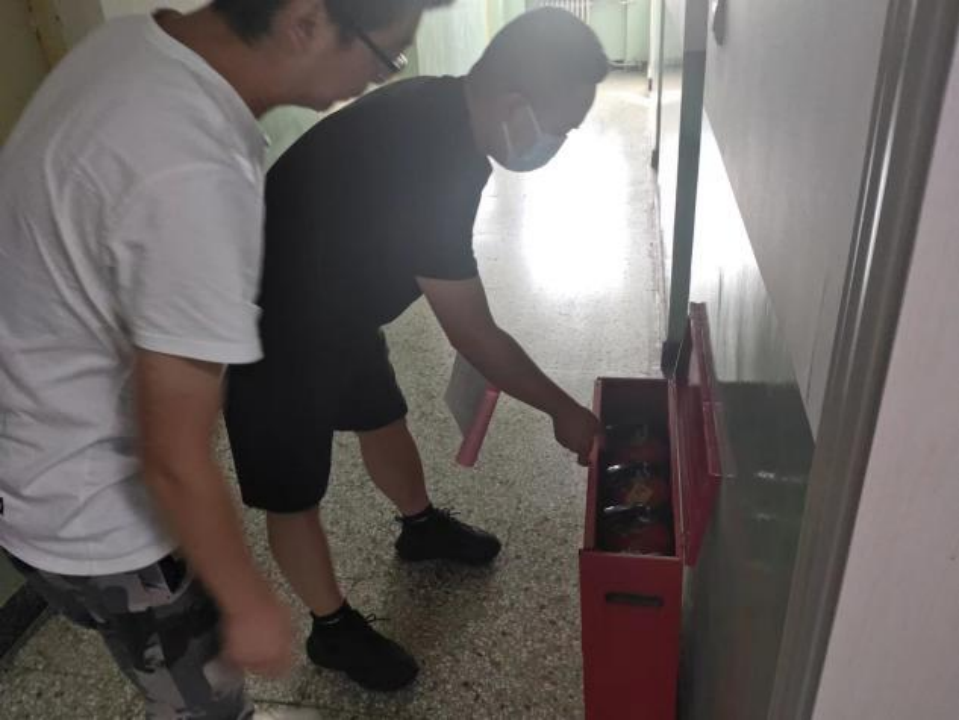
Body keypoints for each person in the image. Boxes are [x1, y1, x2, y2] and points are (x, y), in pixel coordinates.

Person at [0, 1, 450, 717]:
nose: (379, 77)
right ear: (304, 22)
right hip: (100, 518)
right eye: (382, 54)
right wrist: (248, 602)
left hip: (28, 467)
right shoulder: (193, 168)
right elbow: (175, 458)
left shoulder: (132, 48)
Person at [225, 8, 608, 694]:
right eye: (562, 126)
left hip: (337, 303)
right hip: (270, 320)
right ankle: (331, 629)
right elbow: (474, 332)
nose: (559, 142)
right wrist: (563, 410)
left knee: (380, 415)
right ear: (513, 104)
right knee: (292, 493)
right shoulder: (432, 156)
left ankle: (419, 526)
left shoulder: (446, 112)